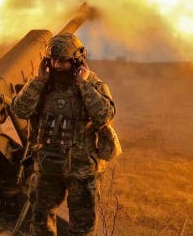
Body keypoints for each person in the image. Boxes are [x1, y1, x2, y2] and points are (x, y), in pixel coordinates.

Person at [11, 33, 116, 236]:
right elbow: (19, 110)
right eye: (54, 60)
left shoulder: (92, 85)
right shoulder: (42, 85)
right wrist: (38, 81)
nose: (58, 66)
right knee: (41, 224)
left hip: (81, 170)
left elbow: (104, 116)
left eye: (64, 61)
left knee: (82, 227)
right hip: (47, 168)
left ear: (77, 61)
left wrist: (83, 84)